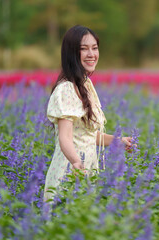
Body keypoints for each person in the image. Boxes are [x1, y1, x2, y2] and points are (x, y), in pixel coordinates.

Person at [43, 25, 132, 202]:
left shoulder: (85, 85)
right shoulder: (66, 88)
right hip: (69, 172)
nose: (91, 54)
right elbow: (65, 137)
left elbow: (86, 135)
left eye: (94, 48)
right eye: (83, 49)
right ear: (71, 53)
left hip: (86, 172)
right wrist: (77, 162)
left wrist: (118, 141)